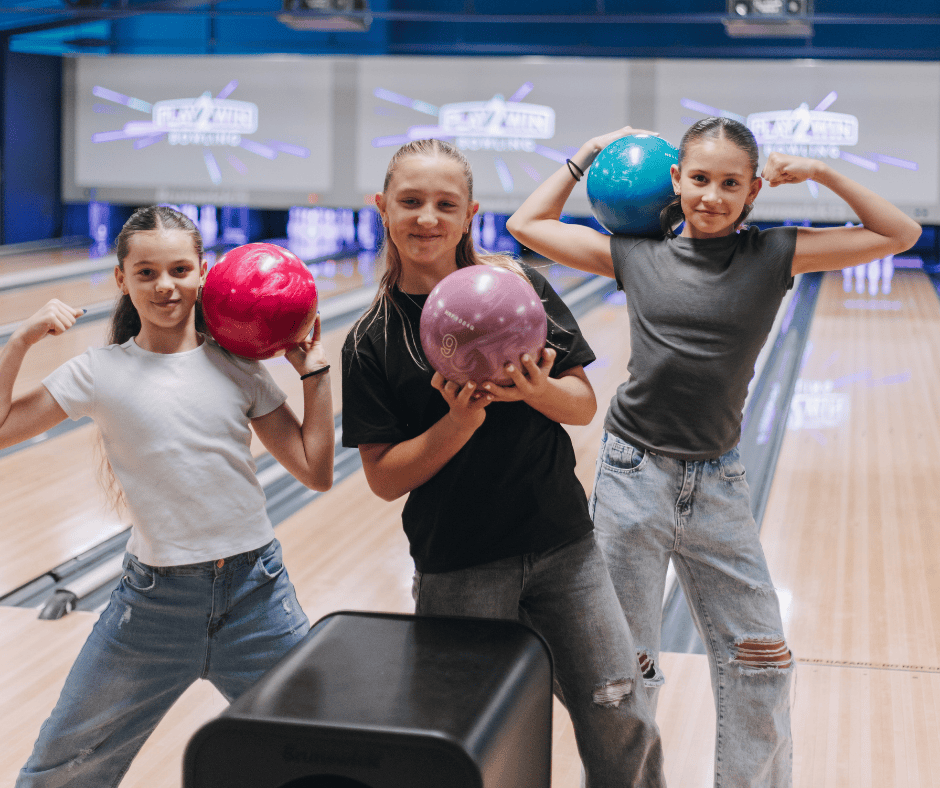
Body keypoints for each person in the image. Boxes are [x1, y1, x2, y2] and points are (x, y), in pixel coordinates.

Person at [506, 117, 922, 786]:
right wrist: (587, 155)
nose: (712, 195)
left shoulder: (775, 253)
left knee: (763, 660)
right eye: (699, 179)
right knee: (624, 668)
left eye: (731, 184)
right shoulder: (635, 254)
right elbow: (529, 224)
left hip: (719, 482)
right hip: (632, 472)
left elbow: (898, 235)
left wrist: (821, 173)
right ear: (677, 180)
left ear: (754, 190)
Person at [341, 139, 665, 787]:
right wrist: (458, 423)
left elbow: (579, 405)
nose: (427, 217)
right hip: (458, 565)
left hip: (565, 551)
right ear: (381, 207)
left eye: (445, 204)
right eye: (410, 202)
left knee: (622, 714)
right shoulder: (372, 337)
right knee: (474, 741)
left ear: (470, 215)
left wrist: (537, 391)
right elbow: (384, 478)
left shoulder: (521, 289)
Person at [1, 206, 335, 787]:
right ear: (121, 279)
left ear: (204, 272)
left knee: (322, 764)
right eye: (147, 272)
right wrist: (21, 339)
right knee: (59, 772)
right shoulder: (98, 371)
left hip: (256, 597)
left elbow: (315, 470)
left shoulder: (239, 367)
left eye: (180, 269)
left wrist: (315, 375)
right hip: (152, 608)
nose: (165, 285)